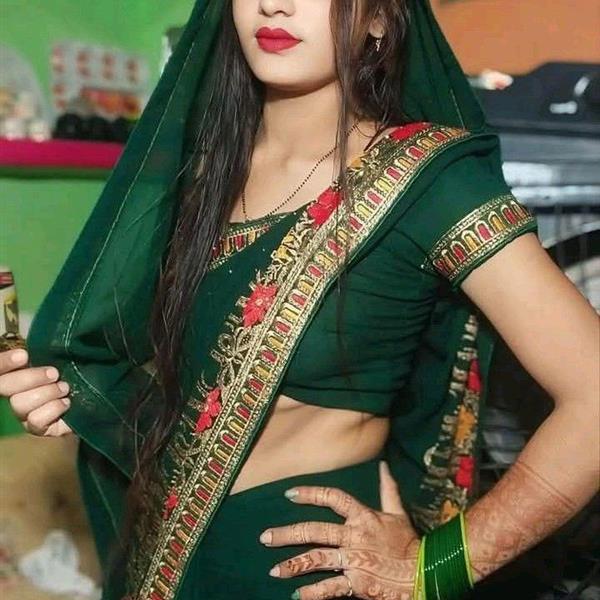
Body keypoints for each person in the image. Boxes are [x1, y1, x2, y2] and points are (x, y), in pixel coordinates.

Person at [1, 1, 598, 599]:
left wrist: (431, 568)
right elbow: (191, 396)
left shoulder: (432, 183)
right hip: (162, 560)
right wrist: (71, 396)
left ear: (380, 18)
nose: (275, 4)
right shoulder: (200, 174)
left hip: (305, 571)